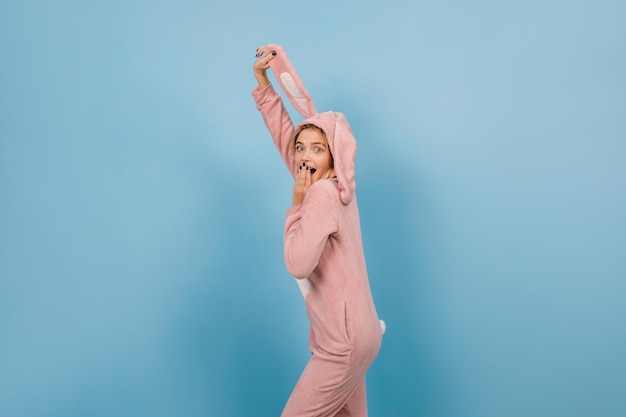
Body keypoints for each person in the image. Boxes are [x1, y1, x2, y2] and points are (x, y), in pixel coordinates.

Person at [252, 44, 384, 417]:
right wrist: (265, 88)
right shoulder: (341, 186)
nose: (304, 157)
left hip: (341, 344)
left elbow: (298, 263)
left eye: (316, 149)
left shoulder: (321, 196)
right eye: (301, 148)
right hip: (360, 334)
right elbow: (287, 141)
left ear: (331, 155)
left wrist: (296, 205)